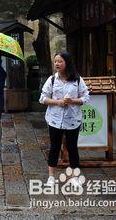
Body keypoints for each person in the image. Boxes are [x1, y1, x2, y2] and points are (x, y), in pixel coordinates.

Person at [39, 52, 90, 186]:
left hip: (73, 119)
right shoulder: (52, 80)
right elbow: (43, 98)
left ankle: (75, 176)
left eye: (60, 61)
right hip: (54, 119)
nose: (57, 64)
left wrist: (72, 100)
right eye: (55, 61)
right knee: (54, 146)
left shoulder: (77, 80)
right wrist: (58, 102)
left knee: (72, 147)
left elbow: (86, 98)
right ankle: (51, 176)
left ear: (66, 63)